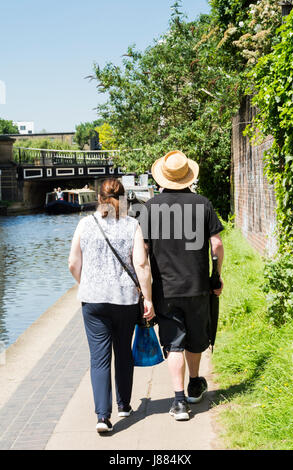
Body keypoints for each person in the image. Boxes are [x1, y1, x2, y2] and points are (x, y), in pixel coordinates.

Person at [139, 150, 224, 421]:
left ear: (163, 177)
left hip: (166, 288)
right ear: (188, 176)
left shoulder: (151, 208)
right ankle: (195, 385)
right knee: (196, 339)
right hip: (198, 286)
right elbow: (217, 244)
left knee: (174, 343)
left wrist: (146, 291)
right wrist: (216, 275)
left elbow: (142, 251)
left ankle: (177, 402)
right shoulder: (203, 204)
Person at [68, 178, 155, 433]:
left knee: (99, 359)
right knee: (123, 352)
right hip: (124, 300)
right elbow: (141, 265)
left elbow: (73, 263)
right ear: (124, 198)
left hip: (93, 301)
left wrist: (86, 283)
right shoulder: (131, 225)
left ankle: (103, 417)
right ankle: (124, 405)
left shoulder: (85, 224)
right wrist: (148, 298)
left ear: (99, 198)